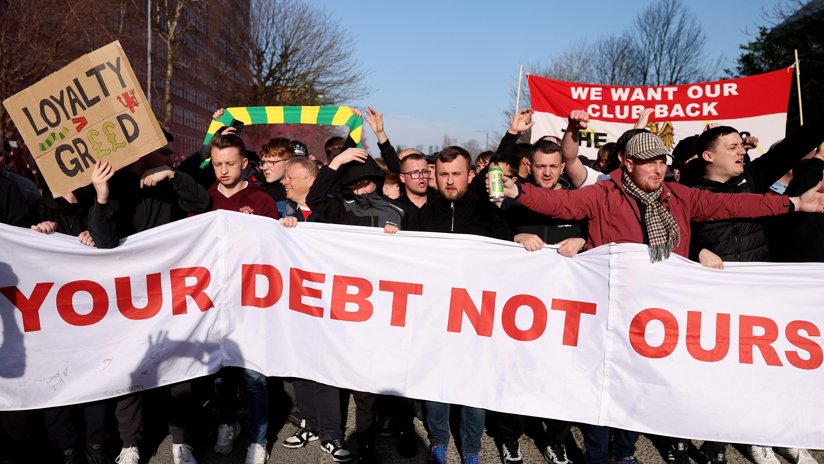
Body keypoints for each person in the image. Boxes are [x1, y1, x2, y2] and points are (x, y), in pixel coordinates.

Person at [499, 131, 824, 464]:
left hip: (660, 315)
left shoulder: (678, 196)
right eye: (648, 162)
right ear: (627, 163)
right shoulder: (603, 194)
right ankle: (597, 456)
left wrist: (795, 203)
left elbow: (733, 203)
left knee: (646, 386)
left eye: (661, 162)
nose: (657, 170)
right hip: (613, 311)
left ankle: (624, 453)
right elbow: (559, 204)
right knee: (605, 387)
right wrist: (519, 191)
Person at [305, 146, 411, 464]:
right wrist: (336, 163)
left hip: (388, 304)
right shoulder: (341, 210)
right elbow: (314, 200)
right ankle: (356, 438)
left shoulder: (399, 212)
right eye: (352, 186)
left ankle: (387, 433)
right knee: (354, 378)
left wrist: (400, 237)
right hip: (352, 306)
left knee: (387, 376)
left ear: (376, 181)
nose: (359, 190)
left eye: (365, 183)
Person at [411, 146, 512, 464]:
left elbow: (509, 258)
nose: (449, 180)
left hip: (479, 313)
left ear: (471, 175)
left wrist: (521, 240)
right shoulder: (423, 215)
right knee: (437, 381)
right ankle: (438, 443)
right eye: (443, 174)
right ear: (434, 177)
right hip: (437, 313)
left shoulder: (490, 212)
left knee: (474, 384)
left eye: (456, 173)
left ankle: (472, 451)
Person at [494, 139, 586, 464]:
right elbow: (489, 240)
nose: (546, 173)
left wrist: (582, 239)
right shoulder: (513, 202)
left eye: (553, 166)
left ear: (563, 167)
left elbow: (600, 239)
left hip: (566, 306)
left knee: (561, 374)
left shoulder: (578, 201)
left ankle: (557, 439)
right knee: (519, 372)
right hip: (522, 306)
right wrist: (514, 238)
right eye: (540, 166)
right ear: (529, 167)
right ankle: (508, 437)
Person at [257, 137, 296, 216]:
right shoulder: (261, 190)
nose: (265, 167)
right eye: (264, 162)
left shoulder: (302, 189)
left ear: (288, 163)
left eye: (271, 162)